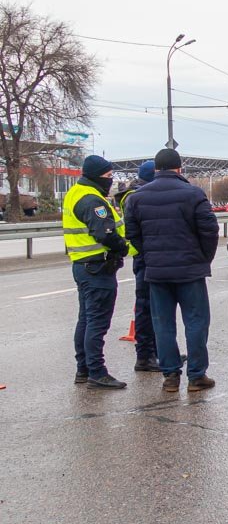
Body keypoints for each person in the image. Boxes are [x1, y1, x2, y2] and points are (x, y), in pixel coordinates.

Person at [124, 149, 219, 393]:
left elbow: (132, 233)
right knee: (196, 322)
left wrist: (149, 256)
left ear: (156, 169)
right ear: (179, 169)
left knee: (162, 324)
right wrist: (203, 259)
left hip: (157, 272)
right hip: (190, 271)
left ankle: (170, 376)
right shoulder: (194, 194)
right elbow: (209, 231)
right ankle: (196, 375)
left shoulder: (137, 198)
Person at [63, 155, 129, 389]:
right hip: (97, 267)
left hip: (83, 265)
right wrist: (124, 247)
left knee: (86, 319)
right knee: (97, 323)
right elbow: (105, 233)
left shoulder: (75, 193)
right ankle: (96, 372)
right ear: (96, 176)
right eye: (109, 177)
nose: (111, 181)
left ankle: (83, 369)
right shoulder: (92, 200)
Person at [113, 161, 161, 373]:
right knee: (146, 307)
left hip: (145, 256)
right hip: (144, 257)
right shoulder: (136, 197)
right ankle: (145, 356)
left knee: (155, 307)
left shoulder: (135, 194)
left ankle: (159, 352)